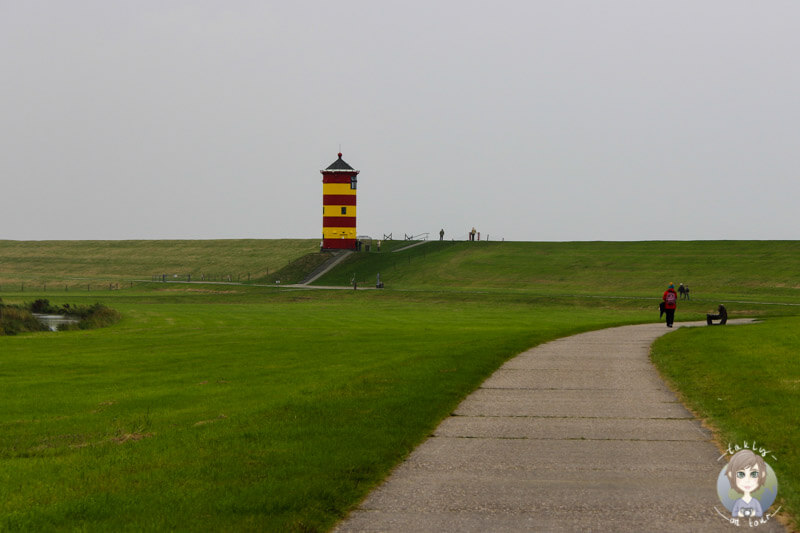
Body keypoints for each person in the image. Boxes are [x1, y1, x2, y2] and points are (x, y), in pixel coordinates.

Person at [725, 450, 767, 518]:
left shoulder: (755, 502)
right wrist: (739, 513)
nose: (747, 480)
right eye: (741, 474)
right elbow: (734, 513)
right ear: (731, 475)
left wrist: (753, 513)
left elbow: (759, 513)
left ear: (762, 475)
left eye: (754, 474)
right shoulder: (739, 502)